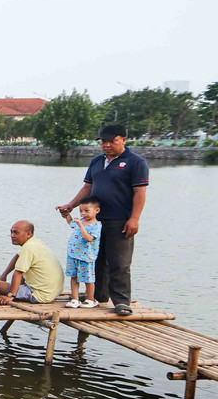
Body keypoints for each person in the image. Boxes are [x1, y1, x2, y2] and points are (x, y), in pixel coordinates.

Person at [55, 123, 149, 316]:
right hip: (93, 220)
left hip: (120, 218)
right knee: (95, 259)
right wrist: (71, 205)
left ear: (124, 139)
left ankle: (121, 301)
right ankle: (97, 295)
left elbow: (140, 193)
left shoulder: (135, 162)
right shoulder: (97, 161)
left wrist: (135, 218)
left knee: (119, 262)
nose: (107, 145)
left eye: (112, 141)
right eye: (103, 142)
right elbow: (87, 188)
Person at [0, 220, 64, 305]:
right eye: (11, 232)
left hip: (39, 295)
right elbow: (18, 256)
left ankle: (13, 292)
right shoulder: (35, 243)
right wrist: (4, 275)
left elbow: (18, 273)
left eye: (16, 233)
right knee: (4, 281)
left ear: (28, 234)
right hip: (52, 292)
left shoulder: (28, 248)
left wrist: (10, 295)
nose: (12, 235)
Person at [64, 196, 103, 308]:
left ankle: (90, 299)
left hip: (87, 256)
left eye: (87, 211)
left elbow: (89, 238)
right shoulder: (80, 221)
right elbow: (71, 222)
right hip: (73, 254)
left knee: (88, 278)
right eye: (81, 211)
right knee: (74, 276)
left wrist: (81, 226)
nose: (83, 214)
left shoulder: (96, 225)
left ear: (97, 211)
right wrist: (66, 213)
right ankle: (75, 299)